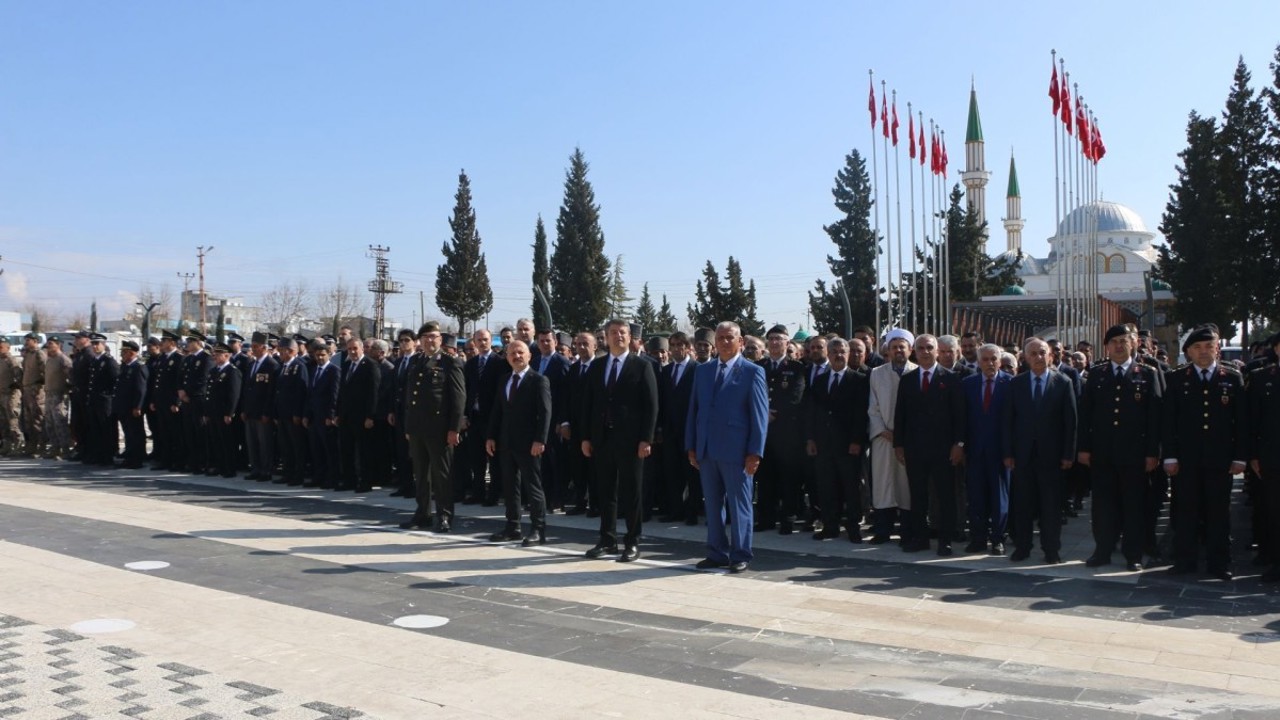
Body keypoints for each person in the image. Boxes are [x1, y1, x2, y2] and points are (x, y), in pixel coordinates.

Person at [1163, 325, 1246, 580]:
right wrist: (1170, 455)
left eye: (1208, 346)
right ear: (1188, 351)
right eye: (1197, 347)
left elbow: (1241, 422)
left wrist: (1240, 456)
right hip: (1186, 460)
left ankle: (1219, 563)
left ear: (1217, 348)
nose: (1203, 352)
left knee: (1218, 513)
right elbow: (1169, 422)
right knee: (1186, 511)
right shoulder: (1177, 379)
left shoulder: (1231, 378)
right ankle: (1184, 560)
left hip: (1220, 460)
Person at [685, 321, 769, 572]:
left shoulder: (752, 372)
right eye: (720, 338)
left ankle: (741, 552)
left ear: (740, 342)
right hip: (707, 450)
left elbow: (759, 416)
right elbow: (694, 410)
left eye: (729, 338)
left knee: (739, 504)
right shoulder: (703, 371)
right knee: (712, 504)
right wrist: (691, 445)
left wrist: (755, 452)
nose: (723, 342)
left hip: (737, 451)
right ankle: (716, 552)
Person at [1079, 324, 1162, 572]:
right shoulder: (1097, 374)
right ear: (1106, 346)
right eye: (1113, 342)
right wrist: (1083, 448)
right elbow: (1086, 415)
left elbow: (1155, 418)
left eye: (1123, 341)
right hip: (1102, 453)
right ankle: (1102, 550)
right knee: (1103, 505)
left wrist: (1152, 452)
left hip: (1134, 454)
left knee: (1134, 506)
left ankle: (1133, 554)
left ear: (1134, 343)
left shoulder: (1147, 373)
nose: (1118, 346)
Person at [581, 319, 659, 562]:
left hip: (631, 441)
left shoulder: (642, 366)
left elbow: (651, 406)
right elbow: (588, 405)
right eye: (613, 333)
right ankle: (607, 540)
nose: (618, 337)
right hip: (603, 439)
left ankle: (632, 542)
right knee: (605, 492)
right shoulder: (597, 366)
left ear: (630, 337)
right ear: (605, 337)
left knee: (631, 492)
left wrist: (646, 439)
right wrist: (586, 437)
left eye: (622, 333)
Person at [1003, 338, 1077, 564]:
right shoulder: (1016, 384)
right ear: (1024, 358)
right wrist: (1008, 452)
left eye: (1042, 352)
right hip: (1022, 456)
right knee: (1023, 505)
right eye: (1033, 353)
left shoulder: (1063, 382)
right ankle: (1023, 547)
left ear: (1051, 356)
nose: (1038, 357)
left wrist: (1068, 454)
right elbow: (1007, 421)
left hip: (1052, 457)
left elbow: (1071, 422)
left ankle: (1051, 549)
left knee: (1051, 507)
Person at [894, 334, 966, 555]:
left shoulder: (951, 379)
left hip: (943, 450)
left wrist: (959, 444)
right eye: (921, 348)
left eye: (929, 348)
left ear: (937, 351)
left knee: (945, 496)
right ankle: (920, 538)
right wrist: (899, 445)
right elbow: (900, 415)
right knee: (918, 496)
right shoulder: (907, 379)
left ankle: (945, 540)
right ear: (915, 352)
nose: (925, 352)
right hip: (915, 449)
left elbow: (960, 417)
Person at [399, 322, 466, 532]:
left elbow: (458, 398)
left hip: (440, 429)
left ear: (440, 339)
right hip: (418, 428)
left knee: (442, 476)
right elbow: (410, 398)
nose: (430, 340)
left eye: (434, 336)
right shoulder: (416, 361)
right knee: (421, 475)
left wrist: (454, 429)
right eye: (426, 336)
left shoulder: (449, 362)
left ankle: (444, 515)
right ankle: (423, 514)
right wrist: (409, 428)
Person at [486, 340, 552, 546]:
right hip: (505, 442)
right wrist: (491, 436)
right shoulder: (504, 379)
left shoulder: (538, 380)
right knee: (509, 486)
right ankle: (512, 526)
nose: (517, 356)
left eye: (521, 352)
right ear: (507, 357)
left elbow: (545, 413)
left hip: (529, 443)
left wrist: (540, 439)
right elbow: (497, 411)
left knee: (532, 486)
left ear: (529, 356)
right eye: (512, 353)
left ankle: (538, 529)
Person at [807, 338, 869, 542]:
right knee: (827, 487)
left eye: (842, 352)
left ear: (849, 353)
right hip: (824, 444)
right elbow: (813, 413)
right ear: (828, 354)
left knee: (851, 488)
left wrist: (856, 441)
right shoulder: (819, 380)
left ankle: (852, 527)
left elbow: (861, 414)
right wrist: (811, 439)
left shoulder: (858, 380)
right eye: (834, 352)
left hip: (848, 445)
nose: (838, 355)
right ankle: (830, 526)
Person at [961, 343, 1013, 554]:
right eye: (985, 359)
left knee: (1000, 498)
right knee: (975, 497)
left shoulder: (1010, 384)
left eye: (994, 359)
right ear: (979, 362)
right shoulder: (967, 384)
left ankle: (998, 538)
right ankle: (978, 538)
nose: (990, 363)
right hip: (974, 451)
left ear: (1000, 361)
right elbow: (962, 418)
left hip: (1001, 452)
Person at [756, 324, 807, 534]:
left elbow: (796, 396)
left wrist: (773, 413)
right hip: (762, 432)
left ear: (788, 343)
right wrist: (762, 414)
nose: (776, 342)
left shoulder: (797, 368)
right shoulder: (759, 366)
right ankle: (766, 518)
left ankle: (787, 518)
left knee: (788, 478)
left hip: (787, 432)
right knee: (765, 478)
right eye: (772, 339)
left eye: (780, 339)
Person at [867, 329, 915, 543]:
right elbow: (872, 407)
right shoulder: (877, 373)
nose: (898, 350)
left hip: (908, 440)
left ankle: (907, 530)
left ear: (909, 349)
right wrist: (883, 430)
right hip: (884, 438)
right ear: (888, 350)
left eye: (901, 347)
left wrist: (904, 435)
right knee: (883, 484)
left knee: (906, 486)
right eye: (894, 347)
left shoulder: (916, 372)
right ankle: (882, 530)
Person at [462, 328, 509, 505]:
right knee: (476, 458)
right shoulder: (471, 363)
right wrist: (465, 415)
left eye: (486, 339)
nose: (482, 343)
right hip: (474, 417)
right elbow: (466, 391)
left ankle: (494, 495)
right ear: (474, 341)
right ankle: (478, 492)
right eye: (479, 340)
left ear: (491, 341)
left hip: (492, 418)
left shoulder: (500, 363)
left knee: (494, 459)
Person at [658, 331, 700, 524]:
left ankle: (692, 512)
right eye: (672, 345)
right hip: (670, 431)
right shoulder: (665, 371)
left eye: (679, 345)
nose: (675, 349)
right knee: (671, 472)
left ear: (687, 347)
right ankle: (675, 511)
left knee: (691, 474)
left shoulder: (698, 369)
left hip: (691, 431)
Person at [1247, 332, 1280, 582]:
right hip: (1272, 457)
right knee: (1274, 511)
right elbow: (1253, 422)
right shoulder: (1262, 378)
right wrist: (1254, 456)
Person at [336, 336, 380, 492]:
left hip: (362, 417)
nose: (353, 352)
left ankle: (365, 482)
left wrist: (370, 416)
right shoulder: (347, 365)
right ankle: (349, 480)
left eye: (355, 348)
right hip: (346, 416)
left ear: (362, 348)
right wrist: (338, 412)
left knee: (364, 451)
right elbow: (342, 391)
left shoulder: (370, 365)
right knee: (346, 449)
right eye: (349, 349)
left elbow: (373, 393)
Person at [560, 332, 597, 516]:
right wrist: (564, 422)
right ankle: (580, 502)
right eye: (578, 344)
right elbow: (565, 398)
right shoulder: (573, 369)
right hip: (575, 426)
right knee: (578, 466)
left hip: (594, 426)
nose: (581, 347)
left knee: (595, 468)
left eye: (585, 344)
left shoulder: (599, 368)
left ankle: (596, 504)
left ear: (594, 347)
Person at [241, 332, 280, 482]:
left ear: (264, 347)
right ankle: (255, 468)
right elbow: (247, 389)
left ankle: (266, 470)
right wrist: (244, 409)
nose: (253, 349)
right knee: (252, 443)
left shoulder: (272, 365)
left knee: (265, 443)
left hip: (263, 412)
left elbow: (271, 392)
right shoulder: (251, 364)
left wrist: (267, 412)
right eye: (252, 346)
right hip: (250, 411)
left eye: (256, 346)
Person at [303, 339, 341, 489]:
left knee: (329, 451)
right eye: (317, 355)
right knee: (316, 450)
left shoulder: (334, 371)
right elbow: (309, 394)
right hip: (314, 417)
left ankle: (332, 479)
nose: (319, 358)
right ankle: (318, 477)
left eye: (322, 355)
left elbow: (334, 395)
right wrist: (306, 415)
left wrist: (330, 416)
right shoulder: (313, 370)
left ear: (329, 355)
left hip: (326, 417)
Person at [273, 337, 310, 486]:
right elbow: (278, 392)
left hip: (292, 414)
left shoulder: (299, 366)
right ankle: (287, 473)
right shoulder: (282, 366)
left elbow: (301, 391)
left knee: (296, 446)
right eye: (280, 350)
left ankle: (297, 475)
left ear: (292, 351)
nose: (280, 353)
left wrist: (297, 413)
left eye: (283, 350)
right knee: (285, 445)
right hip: (282, 413)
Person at [82, 334, 119, 466]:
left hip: (105, 401)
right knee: (95, 428)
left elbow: (116, 380)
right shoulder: (94, 360)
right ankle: (98, 454)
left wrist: (109, 396)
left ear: (104, 345)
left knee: (106, 428)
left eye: (97, 343)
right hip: (94, 400)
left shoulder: (108, 361)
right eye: (93, 344)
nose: (95, 346)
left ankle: (107, 456)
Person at [112, 340, 148, 468]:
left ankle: (136, 459)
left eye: (124, 352)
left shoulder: (139, 367)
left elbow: (141, 389)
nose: (122, 355)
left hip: (132, 407)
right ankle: (129, 457)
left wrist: (138, 406)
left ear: (132, 353)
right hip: (123, 407)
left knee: (135, 433)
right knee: (128, 433)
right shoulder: (125, 367)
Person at [42, 337, 73, 459]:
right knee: (50, 423)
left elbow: (70, 377)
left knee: (60, 422)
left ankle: (65, 450)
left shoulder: (63, 360)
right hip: (49, 394)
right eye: (48, 344)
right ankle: (55, 448)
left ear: (58, 345)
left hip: (59, 395)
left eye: (51, 344)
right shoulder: (50, 359)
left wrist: (66, 388)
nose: (48, 346)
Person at [20, 332, 45, 456]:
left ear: (35, 341)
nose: (26, 342)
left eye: (28, 340)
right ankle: (32, 445)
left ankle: (41, 446)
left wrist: (39, 384)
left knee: (37, 419)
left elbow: (44, 371)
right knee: (28, 420)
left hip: (36, 391)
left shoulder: (39, 354)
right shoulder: (27, 355)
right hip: (27, 390)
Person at [0, 338, 23, 456]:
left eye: (1, 347)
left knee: (13, 420)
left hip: (11, 395)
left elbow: (19, 376)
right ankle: (7, 445)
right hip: (1, 394)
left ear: (7, 348)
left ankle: (18, 444)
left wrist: (14, 385)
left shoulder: (11, 360)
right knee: (3, 421)